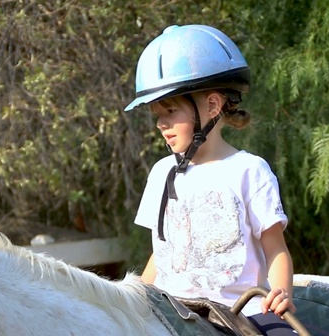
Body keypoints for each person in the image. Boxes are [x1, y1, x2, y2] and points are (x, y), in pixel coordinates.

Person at [125, 24, 296, 335]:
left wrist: (281, 292)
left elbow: (276, 249)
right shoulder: (161, 173)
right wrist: (135, 300)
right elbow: (161, 253)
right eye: (157, 115)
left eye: (171, 111)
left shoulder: (249, 171)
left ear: (213, 106)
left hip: (244, 312)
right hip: (174, 313)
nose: (162, 124)